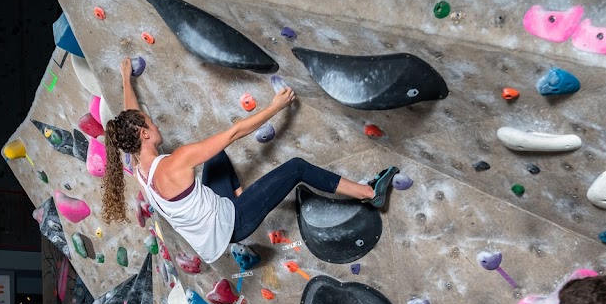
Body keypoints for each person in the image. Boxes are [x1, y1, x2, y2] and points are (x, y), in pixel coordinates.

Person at [102, 56, 399, 264]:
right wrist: (275, 106)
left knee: (215, 157)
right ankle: (370, 194)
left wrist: (126, 79)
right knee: (296, 167)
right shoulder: (176, 162)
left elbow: (132, 116)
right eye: (150, 124)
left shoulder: (138, 164)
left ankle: (244, 196)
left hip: (210, 224)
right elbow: (234, 133)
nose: (156, 125)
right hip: (233, 224)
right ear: (143, 134)